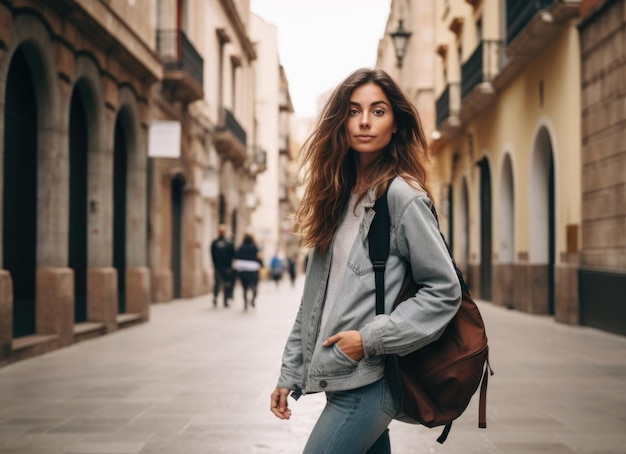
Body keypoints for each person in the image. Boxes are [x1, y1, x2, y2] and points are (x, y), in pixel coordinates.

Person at [269, 68, 462, 453]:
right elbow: (314, 301)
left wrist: (369, 339)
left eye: (378, 111)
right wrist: (291, 370)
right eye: (354, 111)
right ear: (341, 122)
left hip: (371, 380)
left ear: (396, 124)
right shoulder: (337, 199)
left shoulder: (402, 197)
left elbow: (444, 290)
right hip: (340, 376)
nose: (364, 121)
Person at [233, 233, 262, 310]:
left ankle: (245, 302)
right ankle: (253, 299)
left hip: (243, 270)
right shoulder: (255, 247)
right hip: (253, 270)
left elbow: (236, 256)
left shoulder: (241, 247)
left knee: (244, 288)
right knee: (254, 286)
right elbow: (259, 257)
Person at [210, 224, 234, 308]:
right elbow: (212, 254)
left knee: (227, 284)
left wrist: (230, 266)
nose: (222, 232)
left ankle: (225, 300)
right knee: (217, 283)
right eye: (220, 231)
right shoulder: (215, 242)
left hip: (226, 267)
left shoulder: (229, 243)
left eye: (223, 231)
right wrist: (215, 264)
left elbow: (232, 255)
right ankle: (215, 297)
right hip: (218, 267)